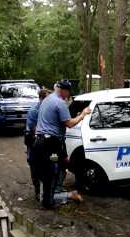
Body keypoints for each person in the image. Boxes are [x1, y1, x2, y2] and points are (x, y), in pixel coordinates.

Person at [33, 79, 91, 209]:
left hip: (40, 141)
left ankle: (49, 196)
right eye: (69, 92)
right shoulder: (60, 103)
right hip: (50, 143)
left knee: (51, 169)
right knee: (52, 171)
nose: (69, 95)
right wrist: (83, 114)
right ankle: (49, 200)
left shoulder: (47, 99)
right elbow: (70, 123)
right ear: (64, 90)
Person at [25, 88, 49, 201]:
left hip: (45, 141)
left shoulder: (48, 109)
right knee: (34, 165)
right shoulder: (34, 110)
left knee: (46, 166)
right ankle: (37, 191)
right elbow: (32, 128)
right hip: (34, 142)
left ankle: (45, 191)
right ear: (42, 98)